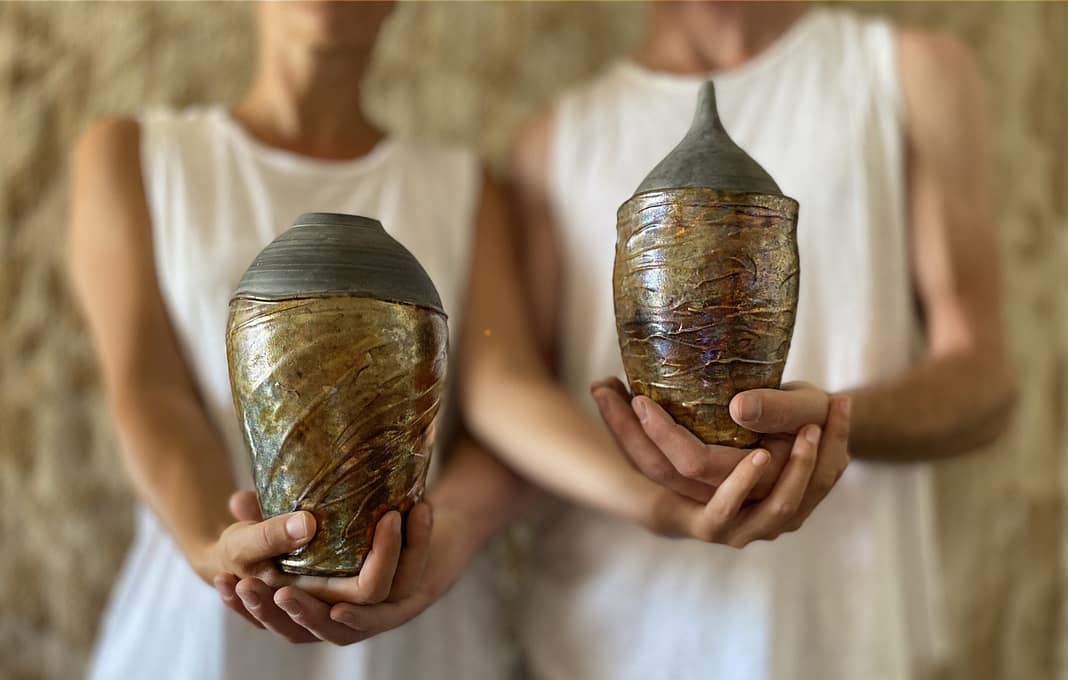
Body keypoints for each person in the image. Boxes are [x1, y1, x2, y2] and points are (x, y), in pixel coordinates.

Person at [501, 2, 1015, 679]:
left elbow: (983, 381)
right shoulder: (552, 143)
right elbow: (514, 404)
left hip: (831, 639)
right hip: (601, 643)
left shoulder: (904, 75)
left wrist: (825, 423)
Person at [70, 3, 529, 678]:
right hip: (201, 616)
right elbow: (149, 388)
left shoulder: (464, 187)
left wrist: (446, 533)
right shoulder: (135, 155)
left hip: (412, 616)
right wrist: (213, 542)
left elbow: (506, 404)